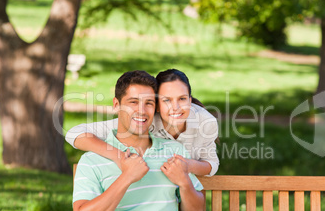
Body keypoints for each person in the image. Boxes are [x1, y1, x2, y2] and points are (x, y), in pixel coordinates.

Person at [73, 70, 204, 211]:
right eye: (133, 102)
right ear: (116, 105)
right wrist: (127, 177)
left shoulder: (175, 151)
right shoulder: (92, 160)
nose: (141, 111)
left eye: (149, 103)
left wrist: (184, 181)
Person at [66, 69, 219, 177]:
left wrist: (187, 166)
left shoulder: (206, 122)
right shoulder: (145, 120)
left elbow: (211, 163)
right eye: (166, 100)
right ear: (157, 105)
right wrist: (120, 157)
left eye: (182, 99)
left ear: (190, 100)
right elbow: (74, 133)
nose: (176, 107)